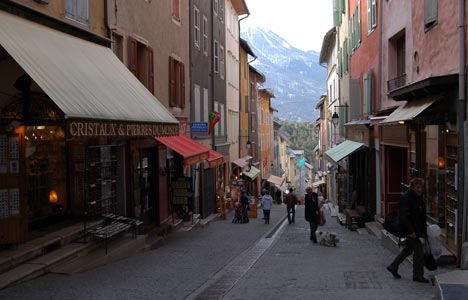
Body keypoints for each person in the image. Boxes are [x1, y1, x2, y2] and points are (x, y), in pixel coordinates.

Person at [387, 177, 429, 283]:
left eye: (421, 187)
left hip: (416, 230)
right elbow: (404, 216)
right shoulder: (406, 198)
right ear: (413, 187)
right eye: (418, 187)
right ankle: (418, 275)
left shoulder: (418, 198)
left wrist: (423, 230)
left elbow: (420, 215)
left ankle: (393, 266)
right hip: (411, 231)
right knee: (419, 251)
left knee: (408, 249)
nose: (420, 190)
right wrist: (410, 231)